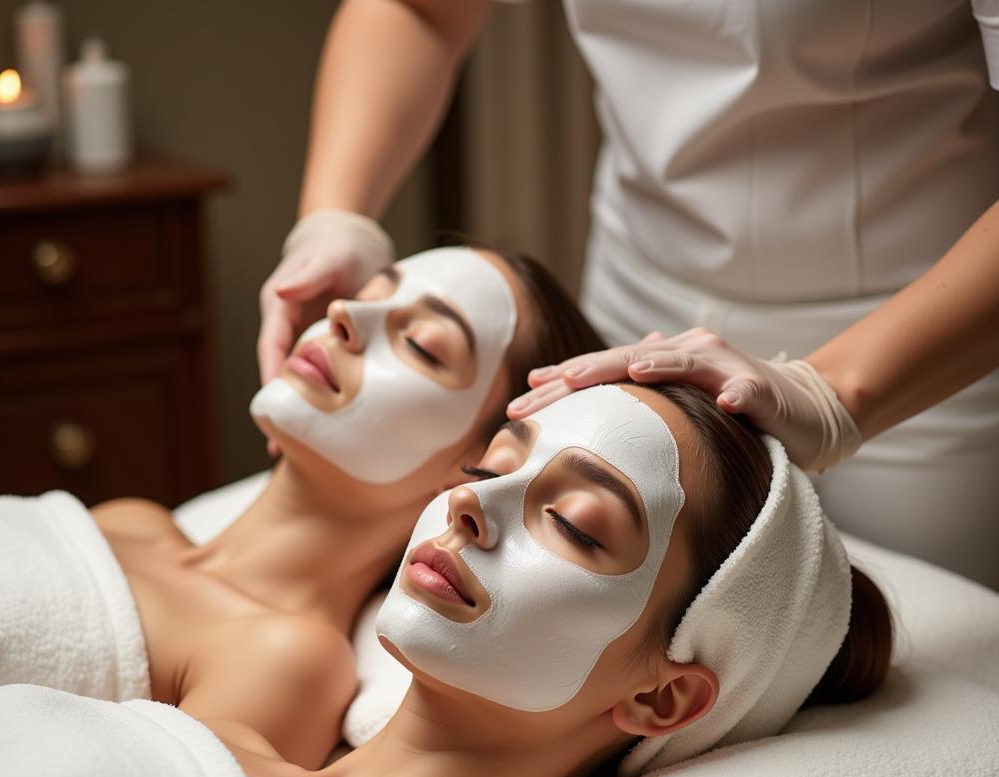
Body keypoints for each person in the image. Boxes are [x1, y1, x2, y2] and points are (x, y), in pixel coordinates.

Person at [0, 382, 893, 777]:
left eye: (574, 522)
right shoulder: (223, 736)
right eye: (489, 465)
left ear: (663, 698)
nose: (471, 507)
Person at [256, 0, 999, 587]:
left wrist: (833, 393)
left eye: (425, 341)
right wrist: (336, 217)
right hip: (634, 304)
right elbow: (423, 8)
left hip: (931, 335)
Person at [0, 245, 603, 770]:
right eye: (372, 291)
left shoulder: (287, 660)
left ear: (477, 459)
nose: (344, 314)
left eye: (422, 343)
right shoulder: (130, 519)